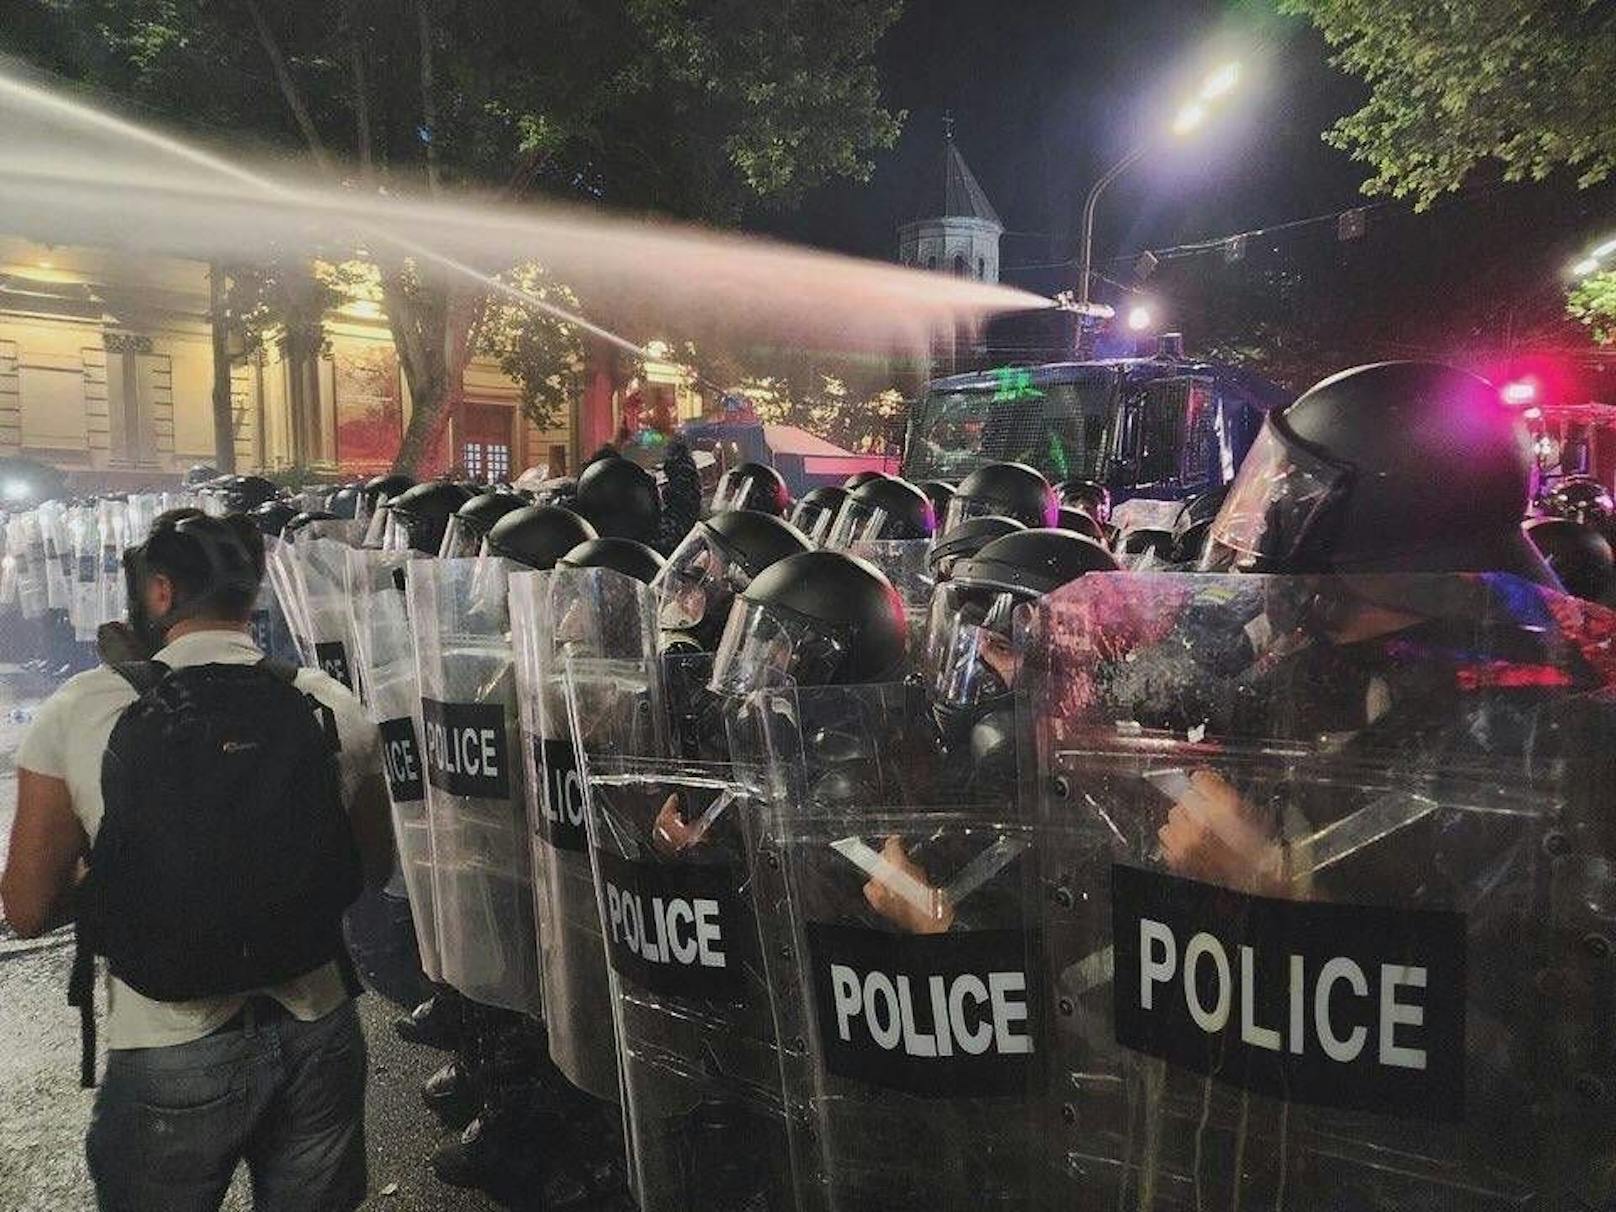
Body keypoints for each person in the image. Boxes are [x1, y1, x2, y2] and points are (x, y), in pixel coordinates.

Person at [0, 509, 393, 1212]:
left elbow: (26, 910)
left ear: (158, 593)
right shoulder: (330, 704)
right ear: (254, 591)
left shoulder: (83, 710)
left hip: (167, 1045)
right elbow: (370, 870)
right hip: (317, 1029)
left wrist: (107, 877)